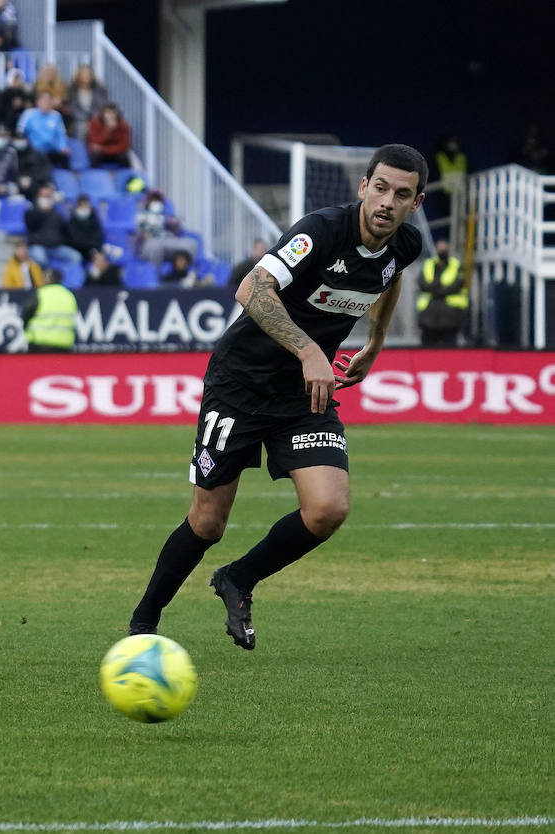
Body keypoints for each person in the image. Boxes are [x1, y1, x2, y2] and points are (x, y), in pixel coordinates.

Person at [127, 144, 427, 650]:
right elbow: (251, 289)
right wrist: (310, 350)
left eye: (401, 194)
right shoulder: (320, 232)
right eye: (379, 188)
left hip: (301, 397)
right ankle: (142, 625)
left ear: (415, 203)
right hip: (239, 385)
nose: (386, 202)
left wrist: (374, 342)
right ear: (363, 187)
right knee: (207, 522)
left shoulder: (404, 245)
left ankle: (239, 579)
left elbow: (388, 277)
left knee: (328, 510)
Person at [415, 239, 467, 347]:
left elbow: (456, 286)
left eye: (444, 248)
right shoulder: (428, 264)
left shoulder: (456, 265)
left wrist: (434, 287)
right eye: (440, 248)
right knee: (427, 350)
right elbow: (422, 283)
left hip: (449, 317)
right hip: (428, 317)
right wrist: (440, 286)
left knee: (450, 350)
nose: (441, 251)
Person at [21, 267, 77, 351]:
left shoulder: (41, 294)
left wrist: (26, 330)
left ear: (48, 280)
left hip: (40, 344)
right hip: (64, 345)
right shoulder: (69, 296)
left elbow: (25, 314)